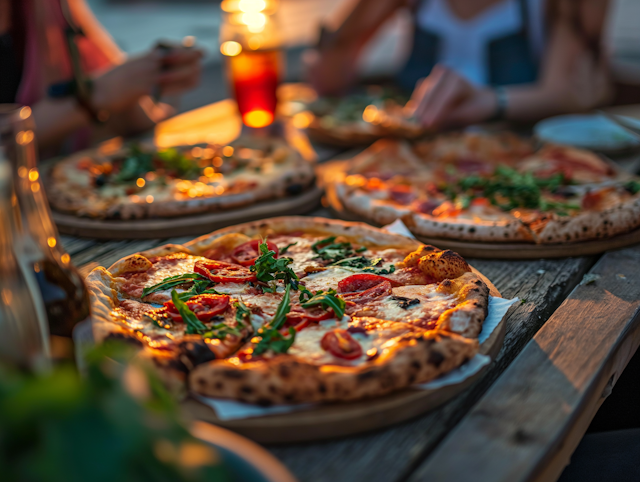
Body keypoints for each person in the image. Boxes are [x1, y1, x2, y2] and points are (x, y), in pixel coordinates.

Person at [307, 0, 612, 129]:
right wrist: (340, 40)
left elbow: (570, 94)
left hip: (524, 161)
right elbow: (327, 79)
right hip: (401, 161)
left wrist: (489, 102)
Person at [0, 0, 203, 153]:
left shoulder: (52, 6)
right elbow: (105, 91)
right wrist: (96, 96)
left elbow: (132, 120)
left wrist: (154, 77)